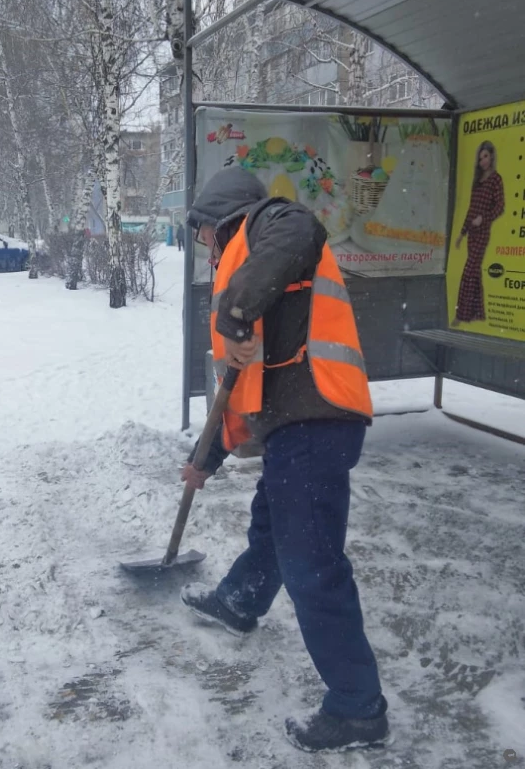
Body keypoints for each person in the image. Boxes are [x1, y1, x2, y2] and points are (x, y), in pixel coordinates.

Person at [180, 166, 388, 753]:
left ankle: (357, 708)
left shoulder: (274, 221)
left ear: (222, 220)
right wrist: (206, 461)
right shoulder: (252, 270)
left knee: (313, 566)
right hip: (294, 429)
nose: (204, 244)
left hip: (318, 421)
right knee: (272, 527)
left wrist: (235, 310)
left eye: (203, 231)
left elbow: (299, 228)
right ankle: (240, 600)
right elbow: (236, 393)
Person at [453, 140, 504, 325]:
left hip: (483, 233)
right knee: (475, 272)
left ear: (491, 157)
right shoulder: (478, 180)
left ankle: (462, 316)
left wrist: (485, 218)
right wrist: (461, 234)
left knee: (468, 271)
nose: (483, 161)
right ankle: (478, 313)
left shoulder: (496, 179)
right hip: (472, 234)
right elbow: (471, 209)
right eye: (480, 157)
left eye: (486, 156)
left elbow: (500, 206)